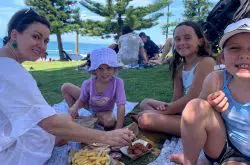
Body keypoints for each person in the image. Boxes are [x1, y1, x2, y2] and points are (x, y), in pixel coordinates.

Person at [0, 8, 132, 165]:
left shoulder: (7, 65)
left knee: (63, 121)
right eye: (36, 37)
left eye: (46, 41)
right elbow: (51, 124)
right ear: (14, 35)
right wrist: (106, 137)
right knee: (61, 126)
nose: (42, 46)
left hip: (7, 135)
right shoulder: (11, 72)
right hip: (6, 153)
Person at [169, 18, 250, 165]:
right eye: (235, 48)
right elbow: (197, 115)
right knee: (196, 106)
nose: (244, 54)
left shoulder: (204, 62)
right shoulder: (217, 79)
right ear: (222, 58)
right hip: (230, 151)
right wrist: (212, 104)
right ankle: (190, 161)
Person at [131, 21, 216, 136]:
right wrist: (166, 109)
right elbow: (177, 98)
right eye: (177, 39)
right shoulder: (179, 66)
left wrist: (164, 111)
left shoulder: (206, 62)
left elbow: (193, 97)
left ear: (200, 41)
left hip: (201, 120)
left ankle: (155, 118)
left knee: (144, 119)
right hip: (184, 112)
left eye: (187, 38)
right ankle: (158, 118)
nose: (182, 43)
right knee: (145, 103)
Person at [66, 48, 127, 130]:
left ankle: (93, 119)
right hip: (89, 104)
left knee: (109, 121)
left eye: (109, 68)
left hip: (105, 110)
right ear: (95, 70)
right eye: (100, 68)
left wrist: (118, 129)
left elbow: (121, 106)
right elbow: (82, 99)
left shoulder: (118, 83)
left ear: (114, 69)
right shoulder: (88, 83)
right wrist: (75, 107)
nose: (105, 72)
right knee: (66, 87)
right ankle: (75, 117)